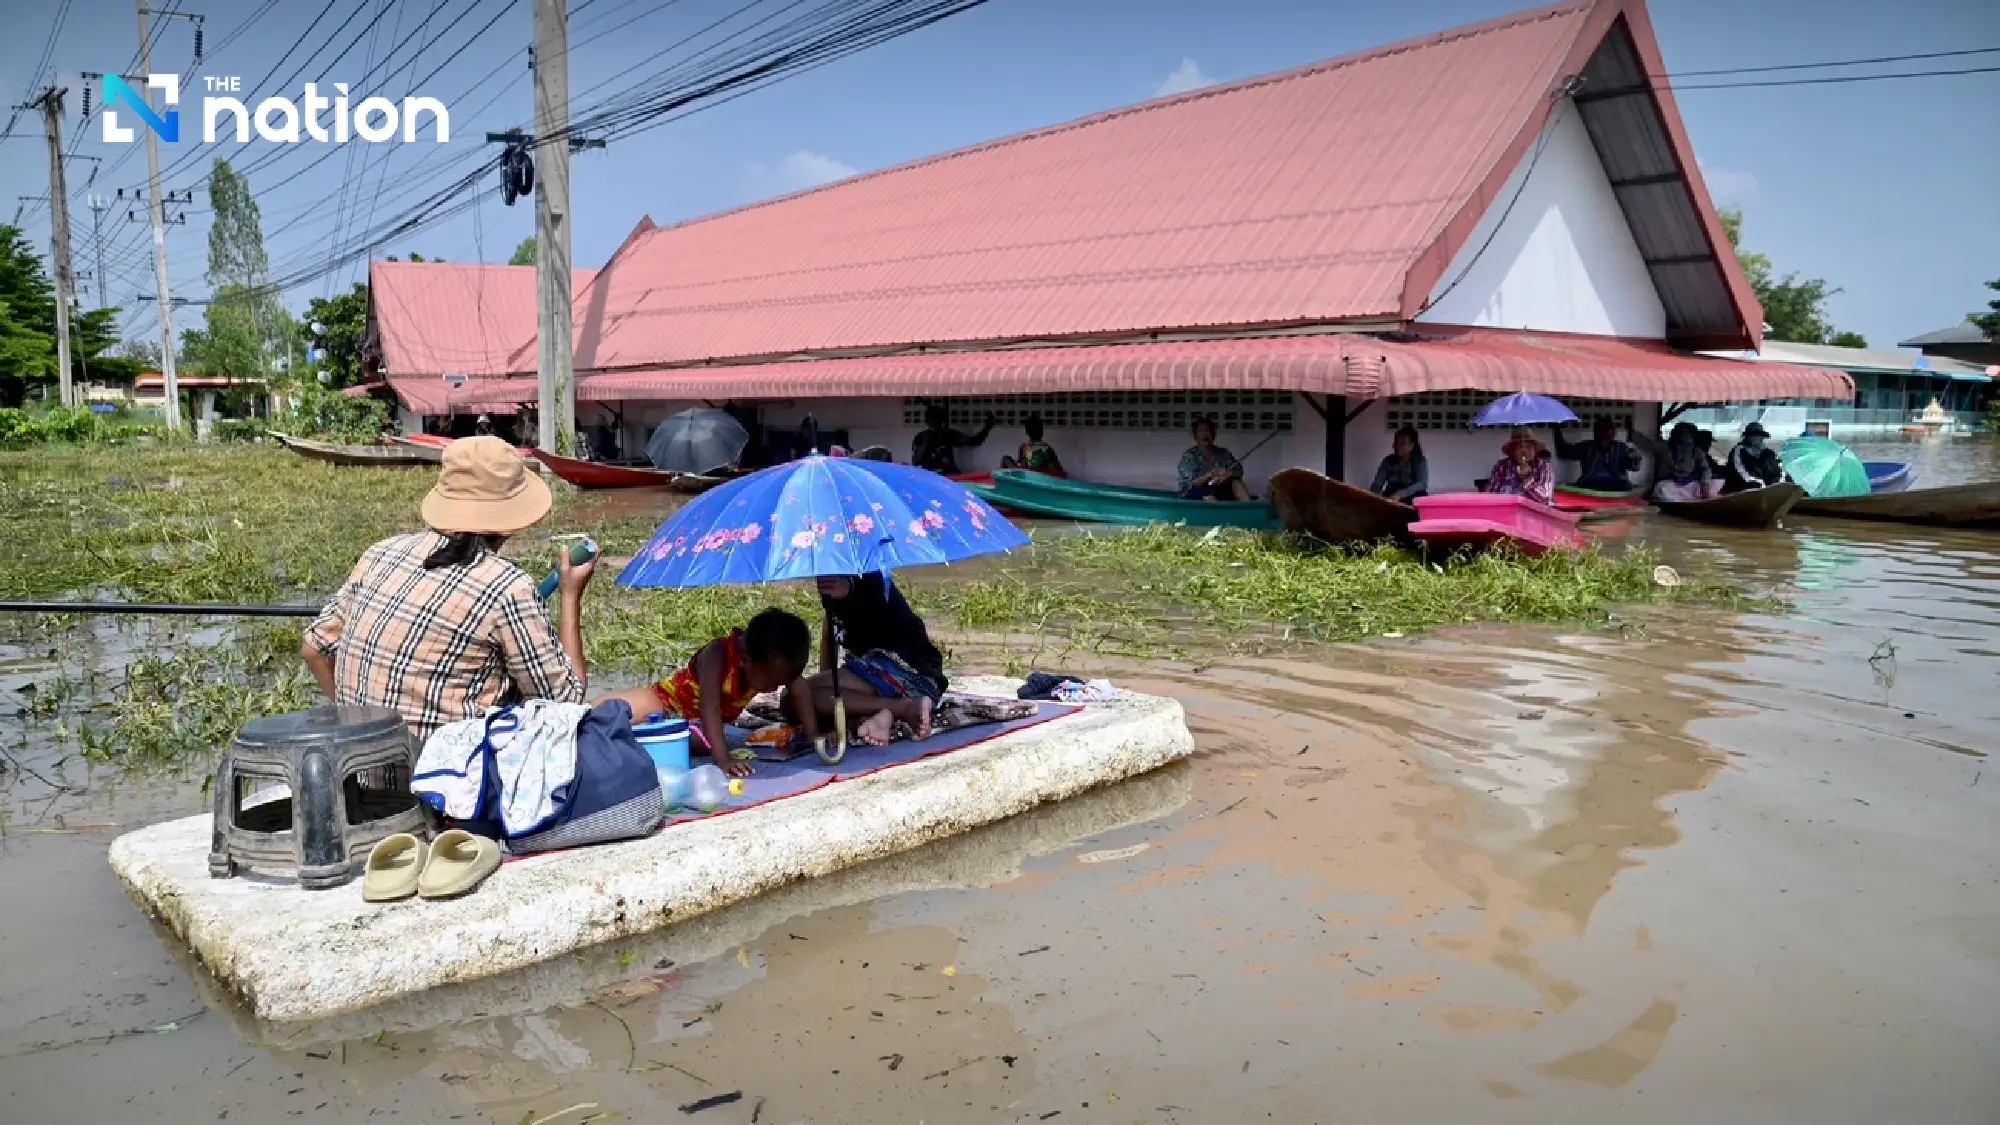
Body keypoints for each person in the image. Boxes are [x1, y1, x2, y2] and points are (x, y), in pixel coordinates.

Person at [301, 436, 594, 746]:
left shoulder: (381, 553)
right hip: (446, 781)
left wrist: (358, 729)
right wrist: (570, 594)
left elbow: (313, 649)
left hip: (357, 764)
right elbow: (565, 704)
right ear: (511, 518)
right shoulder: (507, 586)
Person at [600, 608, 818, 778]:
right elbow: (709, 706)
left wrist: (812, 735)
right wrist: (723, 759)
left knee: (700, 741)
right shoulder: (718, 655)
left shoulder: (770, 663)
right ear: (744, 662)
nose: (773, 689)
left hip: (692, 727)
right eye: (770, 684)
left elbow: (800, 689)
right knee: (611, 712)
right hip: (665, 703)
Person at [782, 573, 946, 747]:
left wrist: (848, 589)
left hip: (907, 673)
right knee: (801, 703)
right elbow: (829, 635)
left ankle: (903, 707)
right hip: (891, 677)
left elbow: (873, 596)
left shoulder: (869, 579)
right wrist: (827, 703)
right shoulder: (837, 584)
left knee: (794, 698)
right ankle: (868, 720)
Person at [1553, 417, 1642, 491]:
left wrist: (1630, 436)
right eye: (1601, 432)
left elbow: (1635, 466)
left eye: (1607, 433)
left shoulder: (1621, 448)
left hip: (1617, 486)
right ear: (1595, 434)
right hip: (1590, 485)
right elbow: (1563, 452)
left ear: (1613, 434)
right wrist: (1556, 427)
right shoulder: (1587, 447)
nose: (1604, 437)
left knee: (1625, 485)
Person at [1178, 417, 1252, 501]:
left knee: (1236, 482)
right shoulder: (1189, 455)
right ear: (1195, 435)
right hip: (1194, 490)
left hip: (1216, 489)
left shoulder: (1224, 453)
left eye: (1207, 430)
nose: (1204, 435)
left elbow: (1239, 471)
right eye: (1200, 431)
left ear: (1213, 434)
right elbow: (1193, 482)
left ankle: (1249, 509)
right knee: (1209, 497)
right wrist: (1211, 475)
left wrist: (1229, 473)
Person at [1648, 422, 1722, 502]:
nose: (1686, 437)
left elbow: (1706, 469)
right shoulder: (1666, 448)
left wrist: (1705, 484)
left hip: (1690, 484)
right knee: (1662, 489)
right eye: (1683, 433)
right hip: (1671, 483)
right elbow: (1648, 444)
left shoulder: (1697, 451)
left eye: (1689, 434)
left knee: (1714, 485)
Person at [911, 404, 994, 475]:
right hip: (930, 477)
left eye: (937, 419)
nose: (934, 422)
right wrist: (925, 444)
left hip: (949, 476)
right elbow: (915, 461)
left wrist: (987, 427)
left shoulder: (948, 434)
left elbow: (974, 441)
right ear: (927, 421)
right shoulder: (921, 437)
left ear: (942, 420)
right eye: (931, 419)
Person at [1483, 427, 1554, 506]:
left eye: (1528, 446)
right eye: (1520, 447)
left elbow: (1545, 499)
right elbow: (1490, 494)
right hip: (1506, 511)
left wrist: (1526, 478)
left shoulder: (1543, 467)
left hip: (1534, 514)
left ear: (1535, 450)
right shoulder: (1502, 466)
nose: (1524, 451)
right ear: (1513, 451)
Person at [1722, 422, 1786, 494]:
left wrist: (1777, 483)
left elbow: (1779, 471)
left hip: (1767, 492)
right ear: (1747, 436)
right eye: (1753, 434)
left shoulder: (1769, 453)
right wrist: (1760, 484)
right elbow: (1741, 472)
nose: (1757, 437)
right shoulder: (1739, 450)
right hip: (1739, 492)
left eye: (1759, 435)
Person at [1369, 426, 1429, 502]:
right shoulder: (1388, 461)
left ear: (1412, 446)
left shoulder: (1420, 461)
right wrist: (1376, 495)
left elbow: (1422, 484)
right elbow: (1376, 484)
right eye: (1396, 442)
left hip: (1410, 496)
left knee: (1421, 494)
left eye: (1402, 443)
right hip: (1391, 496)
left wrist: (1400, 494)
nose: (1397, 446)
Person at [999, 414, 1064, 474]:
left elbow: (1022, 466)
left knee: (1005, 459)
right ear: (1041, 432)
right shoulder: (1047, 448)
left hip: (1030, 476)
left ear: (1027, 432)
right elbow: (1059, 469)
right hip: (1034, 475)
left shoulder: (1025, 447)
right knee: (1006, 459)